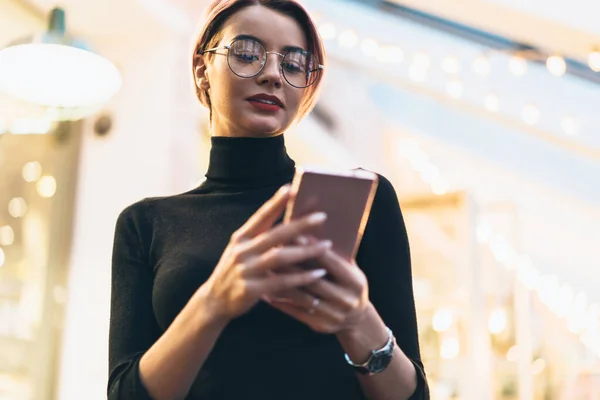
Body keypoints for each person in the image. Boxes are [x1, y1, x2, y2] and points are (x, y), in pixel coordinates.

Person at [107, 1, 429, 399]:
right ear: (202, 69)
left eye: (293, 64)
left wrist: (358, 319)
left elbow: (412, 396)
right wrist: (213, 302)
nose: (273, 74)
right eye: (246, 54)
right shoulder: (146, 224)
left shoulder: (363, 202)